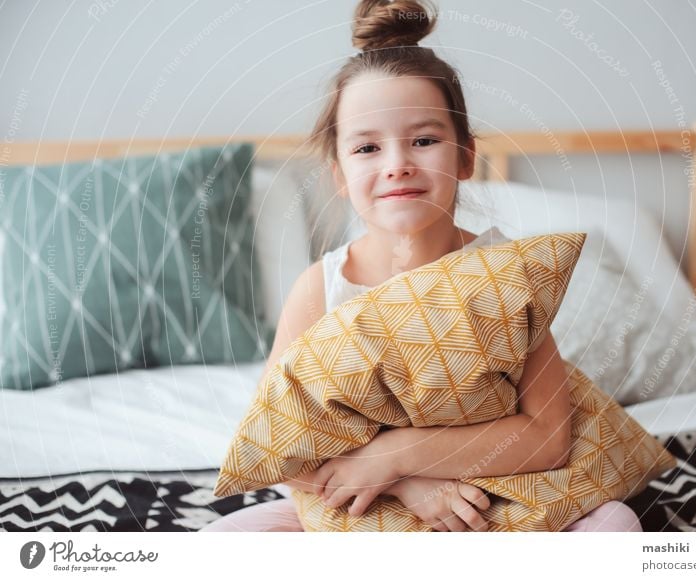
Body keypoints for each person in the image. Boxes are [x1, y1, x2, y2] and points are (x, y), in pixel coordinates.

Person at [201, 0, 641, 533]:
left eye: (425, 140)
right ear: (339, 173)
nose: (397, 164)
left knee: (615, 525)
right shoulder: (322, 287)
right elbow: (275, 442)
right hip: (364, 501)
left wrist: (404, 452)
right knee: (222, 540)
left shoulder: (503, 275)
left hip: (502, 498)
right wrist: (404, 480)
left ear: (466, 156)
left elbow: (547, 436)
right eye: (367, 147)